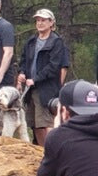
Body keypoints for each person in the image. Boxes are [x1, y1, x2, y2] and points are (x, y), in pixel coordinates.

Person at [17, 9, 69, 147]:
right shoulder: (31, 41)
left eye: (43, 20)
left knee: (47, 124)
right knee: (35, 124)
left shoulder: (56, 42)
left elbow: (54, 66)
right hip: (31, 89)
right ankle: (42, 153)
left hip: (47, 90)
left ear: (51, 23)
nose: (40, 23)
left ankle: (54, 153)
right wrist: (22, 72)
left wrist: (36, 79)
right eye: (38, 20)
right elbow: (23, 60)